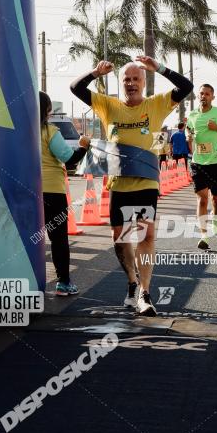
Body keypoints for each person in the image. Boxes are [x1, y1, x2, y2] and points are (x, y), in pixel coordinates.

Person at [71, 56, 192, 316]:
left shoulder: (157, 104)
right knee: (120, 238)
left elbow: (186, 87)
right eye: (127, 79)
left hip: (147, 182)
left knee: (146, 236)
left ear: (144, 82)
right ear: (120, 83)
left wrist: (159, 68)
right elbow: (76, 89)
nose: (131, 83)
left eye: (136, 78)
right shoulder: (108, 106)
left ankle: (145, 293)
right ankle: (132, 283)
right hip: (118, 184)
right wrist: (95, 73)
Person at [40, 91, 90, 296]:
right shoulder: (50, 131)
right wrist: (83, 147)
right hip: (52, 193)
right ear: (47, 110)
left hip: (27, 193)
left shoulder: (19, 132)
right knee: (58, 239)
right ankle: (63, 283)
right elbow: (69, 159)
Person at [186, 84, 217, 250]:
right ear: (198, 96)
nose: (203, 96)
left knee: (216, 198)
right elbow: (189, 132)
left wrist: (216, 128)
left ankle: (215, 216)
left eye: (207, 94)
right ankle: (204, 236)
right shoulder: (192, 115)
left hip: (216, 163)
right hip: (198, 162)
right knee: (202, 199)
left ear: (212, 97)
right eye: (201, 93)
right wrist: (189, 137)